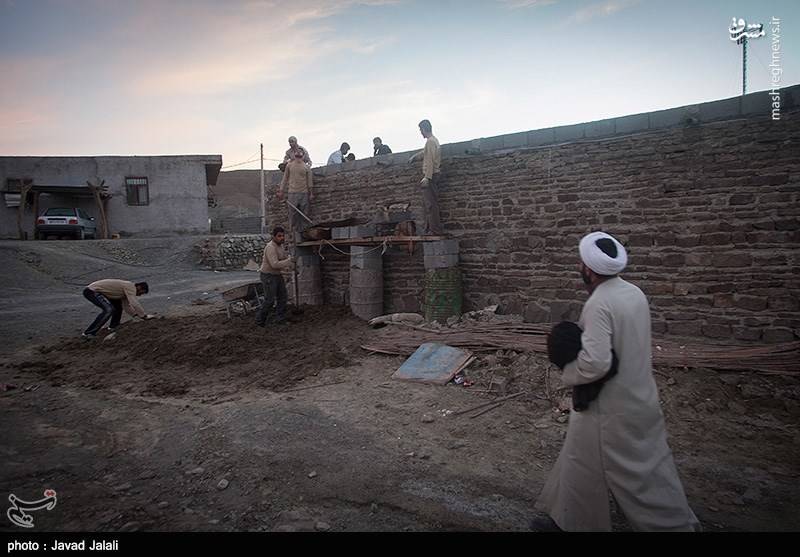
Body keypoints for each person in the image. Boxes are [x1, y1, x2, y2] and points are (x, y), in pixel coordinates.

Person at [534, 231, 700, 532]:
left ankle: (676, 527)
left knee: (642, 478)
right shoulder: (634, 293)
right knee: (579, 462)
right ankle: (567, 522)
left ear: (590, 269)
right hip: (640, 396)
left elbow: (597, 362)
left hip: (610, 408)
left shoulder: (600, 303)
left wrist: (568, 370)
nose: (579, 267)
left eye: (581, 263)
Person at [82, 279, 154, 340]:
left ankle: (113, 326)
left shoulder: (126, 291)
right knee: (108, 310)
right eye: (141, 292)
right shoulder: (131, 287)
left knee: (118, 307)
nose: (140, 295)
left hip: (102, 292)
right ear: (139, 287)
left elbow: (126, 306)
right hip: (92, 291)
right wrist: (144, 316)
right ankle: (88, 333)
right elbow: (134, 303)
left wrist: (136, 316)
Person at [408, 119, 442, 235]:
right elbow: (425, 153)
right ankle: (431, 229)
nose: (420, 133)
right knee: (431, 203)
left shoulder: (430, 142)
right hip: (433, 174)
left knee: (430, 204)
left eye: (420, 130)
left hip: (431, 175)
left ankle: (434, 230)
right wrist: (414, 157)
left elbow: (430, 160)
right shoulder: (433, 141)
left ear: (424, 129)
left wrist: (427, 177)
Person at [255, 226, 294, 327]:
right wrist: (289, 261)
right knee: (269, 300)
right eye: (279, 236)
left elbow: (284, 259)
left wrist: (290, 265)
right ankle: (260, 320)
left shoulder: (280, 246)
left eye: (282, 236)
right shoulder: (270, 247)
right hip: (268, 276)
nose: (281, 238)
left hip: (277, 275)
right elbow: (274, 264)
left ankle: (280, 319)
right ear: (273, 236)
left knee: (283, 297)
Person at [277, 149, 314, 243]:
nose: (298, 153)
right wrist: (281, 191)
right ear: (294, 154)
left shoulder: (306, 167)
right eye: (296, 152)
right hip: (292, 193)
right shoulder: (289, 165)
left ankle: (304, 235)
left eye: (300, 152)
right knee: (292, 215)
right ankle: (292, 236)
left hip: (304, 193)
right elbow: (284, 179)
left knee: (304, 214)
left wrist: (311, 193)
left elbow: (309, 182)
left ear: (303, 155)